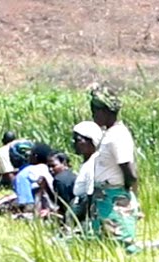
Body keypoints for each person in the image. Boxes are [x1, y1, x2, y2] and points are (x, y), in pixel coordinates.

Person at [89, 84, 139, 247]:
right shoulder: (109, 134)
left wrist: (126, 196)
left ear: (104, 111)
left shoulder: (118, 135)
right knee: (104, 244)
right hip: (104, 197)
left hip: (114, 198)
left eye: (94, 110)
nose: (92, 114)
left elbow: (129, 171)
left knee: (121, 244)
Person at [70, 121, 103, 228]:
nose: (74, 143)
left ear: (92, 141)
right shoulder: (87, 163)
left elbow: (90, 197)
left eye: (78, 140)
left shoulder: (93, 164)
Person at [12, 143, 56, 216]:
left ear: (35, 157)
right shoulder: (52, 169)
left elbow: (25, 203)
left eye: (31, 154)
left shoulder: (25, 172)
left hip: (38, 209)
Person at [48, 152, 77, 218]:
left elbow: (65, 204)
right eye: (49, 166)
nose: (50, 169)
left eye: (53, 166)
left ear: (64, 163)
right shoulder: (73, 175)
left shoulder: (59, 180)